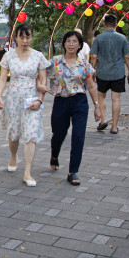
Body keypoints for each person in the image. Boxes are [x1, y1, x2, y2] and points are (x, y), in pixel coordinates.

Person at [0, 24, 50, 186]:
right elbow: (3, 78)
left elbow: (42, 80)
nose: (25, 41)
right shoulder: (9, 56)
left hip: (32, 99)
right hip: (13, 99)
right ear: (16, 38)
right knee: (14, 134)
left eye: (28, 37)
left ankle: (27, 172)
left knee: (31, 135)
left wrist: (40, 100)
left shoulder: (38, 56)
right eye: (21, 37)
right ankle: (13, 156)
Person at [46, 31, 102, 185]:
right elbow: (41, 74)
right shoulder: (54, 62)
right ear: (64, 43)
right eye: (68, 41)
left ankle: (73, 171)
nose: (71, 44)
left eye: (74, 41)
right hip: (61, 102)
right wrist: (40, 90)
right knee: (58, 134)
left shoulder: (83, 63)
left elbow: (90, 86)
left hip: (79, 102)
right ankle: (54, 155)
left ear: (80, 45)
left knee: (78, 136)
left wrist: (97, 106)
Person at [90, 14, 129, 134]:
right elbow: (127, 57)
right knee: (116, 99)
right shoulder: (122, 38)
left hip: (102, 72)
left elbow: (94, 56)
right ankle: (114, 127)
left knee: (101, 96)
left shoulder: (98, 38)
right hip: (118, 72)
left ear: (104, 24)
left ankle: (103, 120)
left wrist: (93, 70)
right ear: (116, 24)